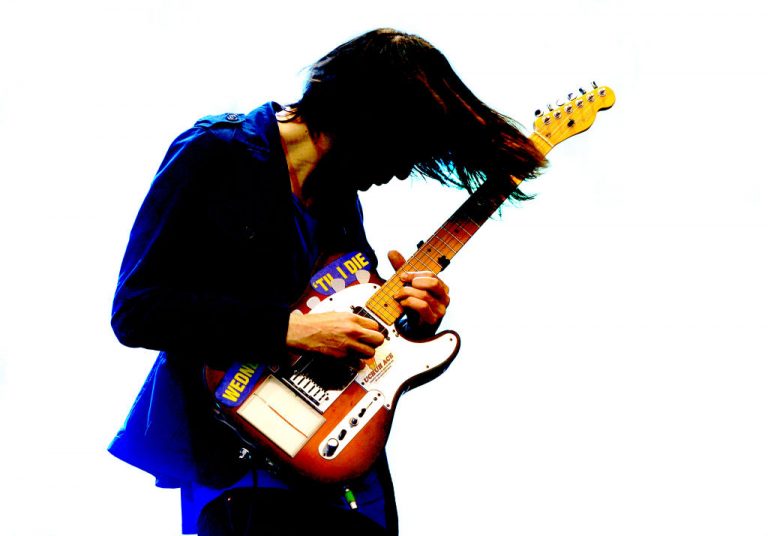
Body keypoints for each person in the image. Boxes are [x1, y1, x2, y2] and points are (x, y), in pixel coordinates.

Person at [109, 28, 546, 535]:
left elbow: (345, 339)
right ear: (369, 115)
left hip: (346, 480)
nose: (402, 172)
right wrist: (289, 330)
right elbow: (137, 309)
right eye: (403, 149)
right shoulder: (217, 152)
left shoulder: (340, 202)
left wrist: (411, 322)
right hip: (244, 471)